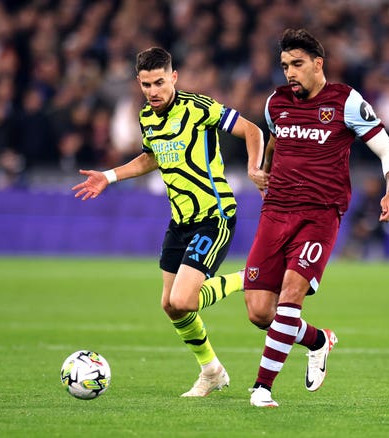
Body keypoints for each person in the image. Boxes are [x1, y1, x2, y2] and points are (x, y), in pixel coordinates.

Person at [72, 47, 266, 397]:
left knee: (185, 300)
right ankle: (212, 371)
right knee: (170, 305)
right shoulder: (147, 118)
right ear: (139, 83)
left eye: (159, 82)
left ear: (173, 77)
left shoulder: (199, 108)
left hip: (214, 215)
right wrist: (110, 176)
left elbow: (252, 130)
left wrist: (254, 168)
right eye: (146, 84)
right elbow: (151, 158)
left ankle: (248, 276)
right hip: (180, 221)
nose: (153, 91)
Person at [245, 29, 389, 407]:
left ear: (318, 63)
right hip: (275, 212)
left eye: (297, 64)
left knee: (290, 295)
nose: (290, 73)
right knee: (259, 312)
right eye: (284, 66)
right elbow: (275, 136)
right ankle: (318, 340)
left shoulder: (345, 101)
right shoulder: (276, 102)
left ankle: (262, 388)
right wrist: (262, 168)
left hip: (319, 216)